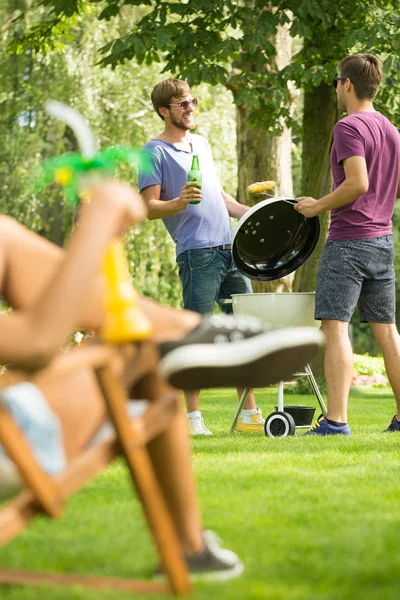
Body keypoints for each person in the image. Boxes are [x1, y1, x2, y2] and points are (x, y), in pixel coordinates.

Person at [0, 178, 324, 580]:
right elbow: (38, 342)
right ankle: (190, 334)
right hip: (15, 435)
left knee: (7, 238)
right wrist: (98, 222)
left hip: (18, 419)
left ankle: (187, 333)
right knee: (140, 345)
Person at [139, 78, 264, 435]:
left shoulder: (202, 144)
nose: (191, 107)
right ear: (164, 111)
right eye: (182, 104)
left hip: (230, 250)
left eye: (192, 101)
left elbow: (220, 197)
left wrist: (258, 211)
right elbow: (149, 207)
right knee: (195, 337)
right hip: (197, 255)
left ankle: (247, 416)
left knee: (244, 332)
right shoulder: (153, 152)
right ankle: (193, 419)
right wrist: (178, 201)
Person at [294, 53, 400, 436]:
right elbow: (393, 186)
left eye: (337, 82)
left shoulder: (348, 127)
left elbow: (358, 183)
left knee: (334, 327)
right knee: (386, 331)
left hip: (350, 241)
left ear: (348, 85)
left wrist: (316, 206)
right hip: (382, 241)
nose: (337, 89)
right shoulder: (390, 129)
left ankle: (336, 421)